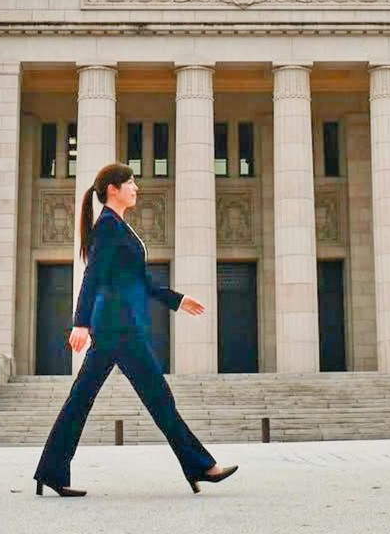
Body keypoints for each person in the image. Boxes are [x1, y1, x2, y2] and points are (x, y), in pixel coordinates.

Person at [33, 161, 238, 496]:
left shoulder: (119, 226)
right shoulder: (109, 227)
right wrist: (80, 323)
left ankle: (51, 471)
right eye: (131, 183)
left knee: (87, 399)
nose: (136, 188)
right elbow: (93, 275)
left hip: (120, 327)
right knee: (157, 398)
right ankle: (200, 466)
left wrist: (177, 299)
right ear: (113, 189)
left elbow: (141, 281)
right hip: (116, 329)